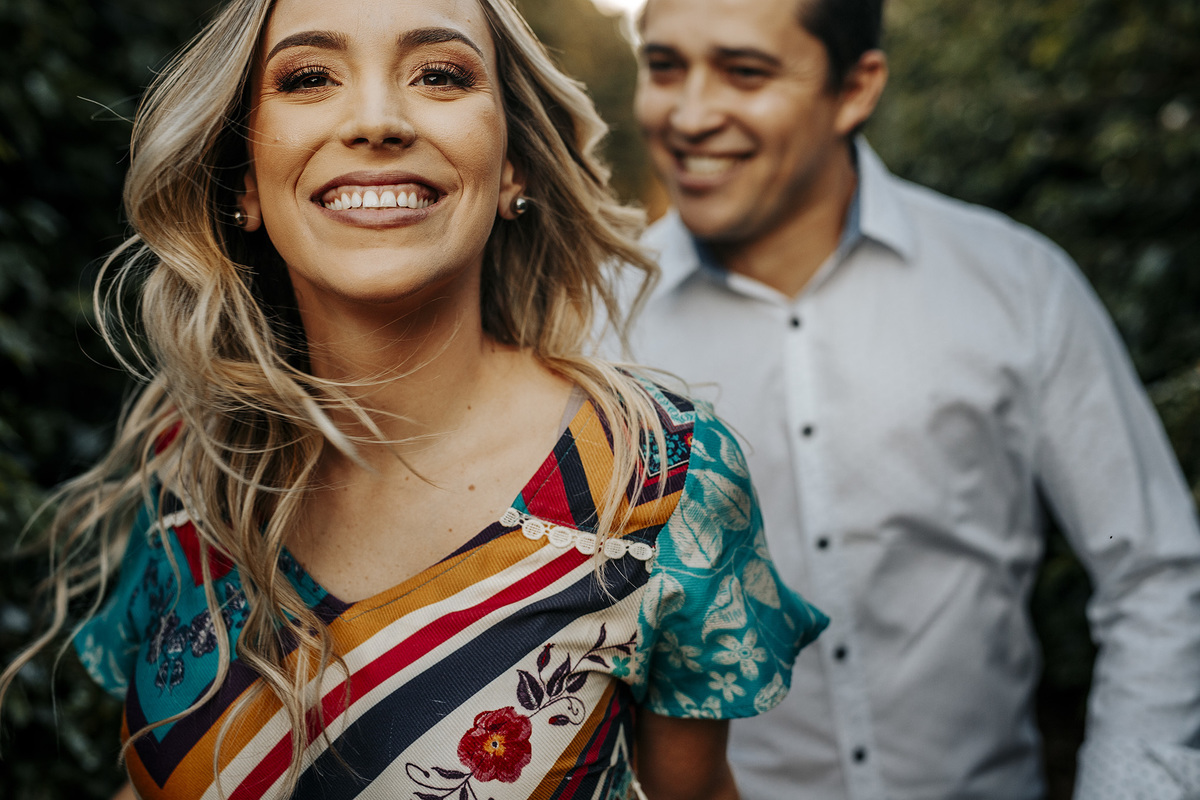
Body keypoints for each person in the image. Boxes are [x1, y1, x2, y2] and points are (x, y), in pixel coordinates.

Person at [0, 0, 830, 798]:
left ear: (513, 165)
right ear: (243, 178)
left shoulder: (658, 481)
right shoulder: (189, 464)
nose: (376, 120)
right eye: (309, 78)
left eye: (439, 74)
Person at [622, 0, 1200, 798]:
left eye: (745, 72)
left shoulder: (1018, 286)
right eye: (664, 67)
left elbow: (1154, 574)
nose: (689, 115)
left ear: (856, 89)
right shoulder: (591, 322)